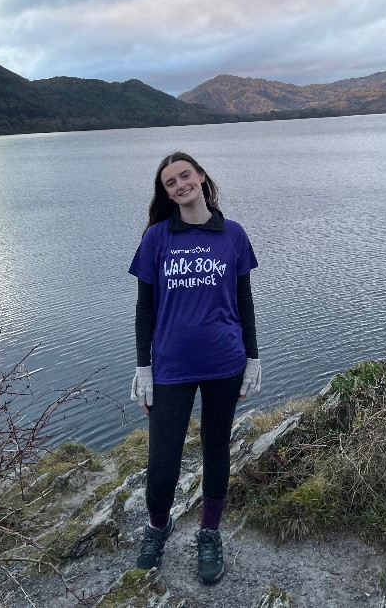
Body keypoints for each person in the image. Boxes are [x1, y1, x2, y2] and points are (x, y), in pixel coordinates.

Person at [128, 151, 261, 584]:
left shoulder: (233, 234)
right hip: (170, 367)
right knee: (163, 462)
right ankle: (158, 526)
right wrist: (143, 367)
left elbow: (243, 299)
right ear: (166, 193)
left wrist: (253, 357)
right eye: (171, 182)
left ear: (201, 177)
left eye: (185, 175)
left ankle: (209, 533)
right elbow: (145, 307)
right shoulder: (157, 238)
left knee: (216, 449)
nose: (180, 185)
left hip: (225, 362)